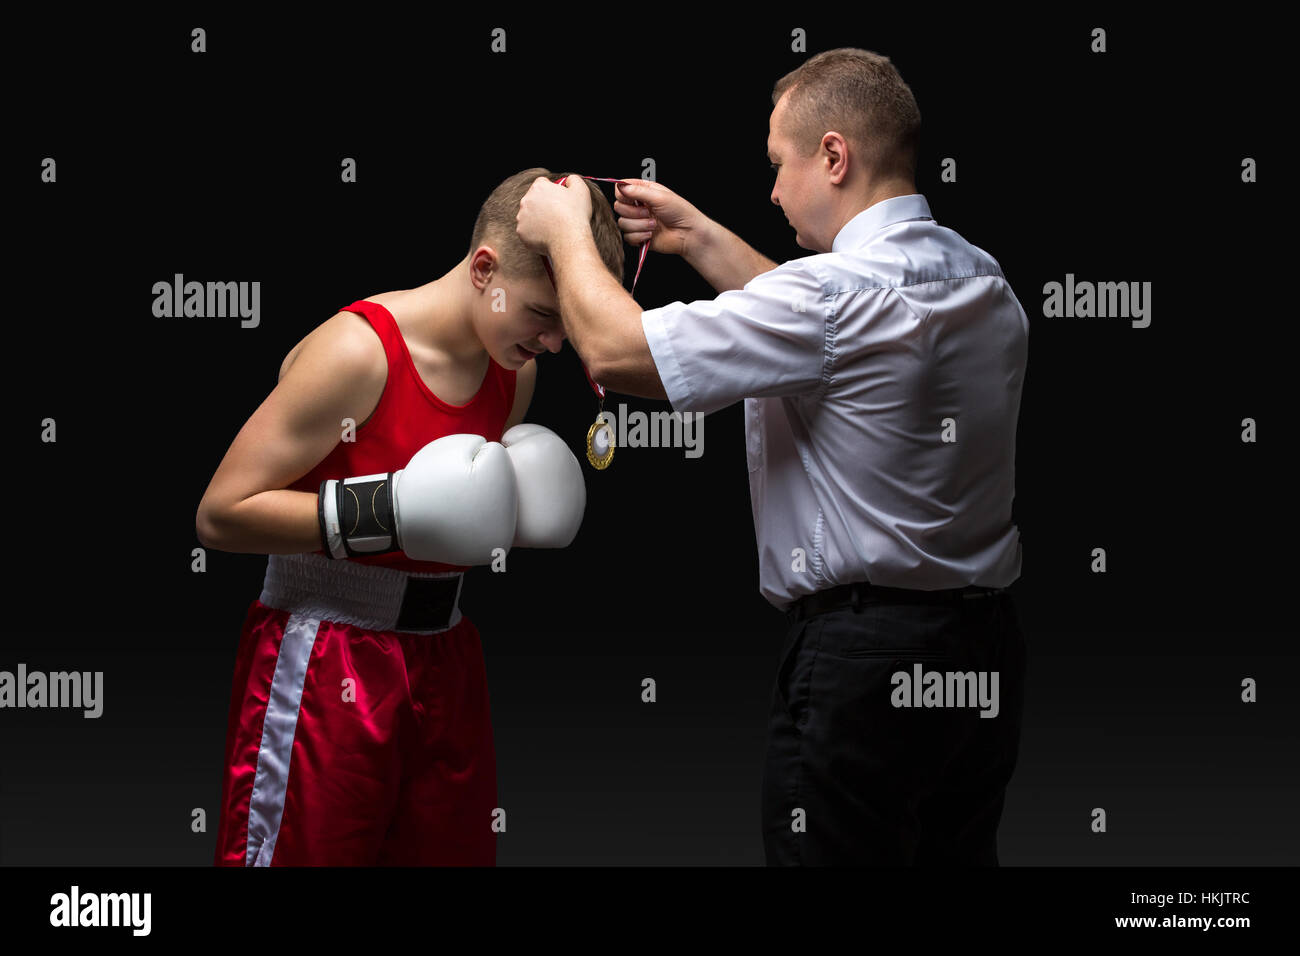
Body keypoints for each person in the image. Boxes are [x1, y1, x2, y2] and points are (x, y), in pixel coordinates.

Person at [515, 49, 1030, 865]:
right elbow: (830, 340)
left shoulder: (833, 299)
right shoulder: (982, 279)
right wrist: (700, 238)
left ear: (834, 156)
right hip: (980, 656)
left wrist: (565, 231)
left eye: (778, 165)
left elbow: (616, 351)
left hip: (864, 663)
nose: (772, 191)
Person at [195, 168, 622, 866]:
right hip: (326, 656)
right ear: (486, 269)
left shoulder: (513, 372)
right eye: (544, 316)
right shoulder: (358, 352)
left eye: (566, 325)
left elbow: (453, 521)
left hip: (446, 658)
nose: (553, 343)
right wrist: (387, 512)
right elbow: (220, 515)